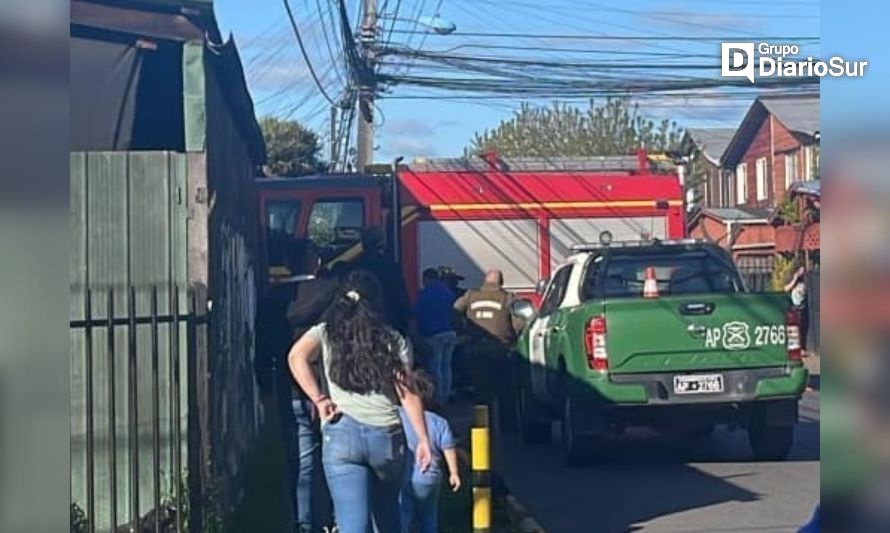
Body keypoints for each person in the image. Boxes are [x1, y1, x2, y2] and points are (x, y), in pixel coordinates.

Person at [288, 269, 433, 533]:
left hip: (341, 431)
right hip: (386, 437)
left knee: (352, 523)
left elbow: (296, 357)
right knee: (387, 516)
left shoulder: (326, 333)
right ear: (377, 302)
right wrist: (423, 439)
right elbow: (407, 392)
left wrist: (320, 399)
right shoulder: (393, 340)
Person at [285, 240, 340, 532]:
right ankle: (332, 519)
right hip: (323, 389)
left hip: (288, 389)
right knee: (333, 459)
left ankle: (303, 522)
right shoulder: (329, 292)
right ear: (314, 262)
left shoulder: (275, 297)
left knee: (300, 461)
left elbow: (263, 342)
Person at [399, 374, 461, 533]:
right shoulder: (440, 422)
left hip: (406, 477)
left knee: (404, 515)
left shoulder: (400, 416)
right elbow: (448, 447)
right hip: (430, 479)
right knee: (429, 515)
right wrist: (453, 473)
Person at [453, 269, 521, 404]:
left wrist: (463, 329)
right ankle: (502, 422)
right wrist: (513, 337)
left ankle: (482, 420)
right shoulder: (507, 298)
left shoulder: (470, 295)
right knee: (504, 391)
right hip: (500, 348)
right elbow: (519, 323)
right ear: (501, 283)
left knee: (480, 389)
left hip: (474, 347)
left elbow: (455, 310)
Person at [350, 226, 412, 334]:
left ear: (363, 243)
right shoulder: (391, 267)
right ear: (382, 243)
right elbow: (401, 299)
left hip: (359, 325)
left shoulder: (354, 266)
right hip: (387, 324)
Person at [414, 268, 458, 404]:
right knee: (447, 367)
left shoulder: (424, 295)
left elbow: (415, 314)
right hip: (450, 333)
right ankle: (446, 394)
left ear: (427, 279)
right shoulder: (448, 293)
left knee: (435, 368)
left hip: (434, 335)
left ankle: (438, 398)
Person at [784, 257, 809, 356]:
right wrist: (795, 278)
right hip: (794, 307)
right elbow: (786, 289)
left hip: (803, 307)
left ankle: (803, 347)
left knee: (803, 328)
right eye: (801, 269)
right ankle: (795, 348)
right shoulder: (792, 277)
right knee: (795, 329)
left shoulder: (805, 280)